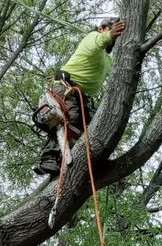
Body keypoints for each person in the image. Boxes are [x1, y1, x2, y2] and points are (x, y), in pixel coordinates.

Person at [33, 17, 126, 176]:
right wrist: (109, 35)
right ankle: (47, 157)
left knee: (89, 132)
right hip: (65, 86)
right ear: (101, 28)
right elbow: (98, 42)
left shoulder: (107, 59)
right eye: (110, 28)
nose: (113, 33)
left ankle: (77, 163)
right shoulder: (92, 38)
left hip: (80, 95)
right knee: (70, 118)